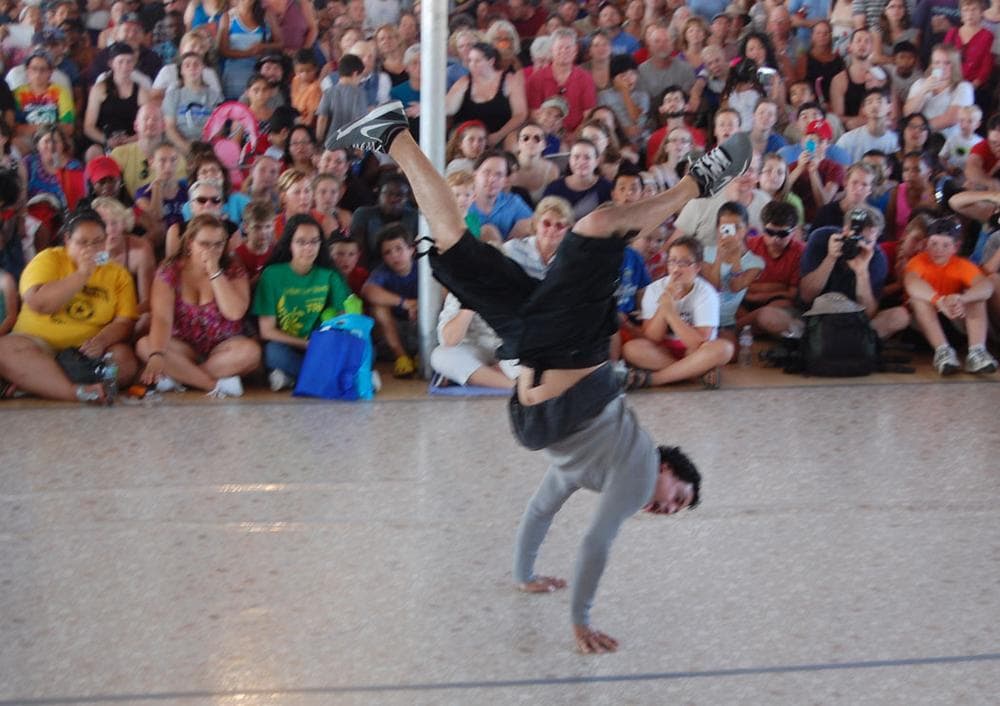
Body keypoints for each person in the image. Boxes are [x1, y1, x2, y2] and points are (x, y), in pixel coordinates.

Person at [326, 100, 753, 652]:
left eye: (671, 510)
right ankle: (701, 180)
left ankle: (394, 137)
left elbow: (566, 523)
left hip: (545, 357)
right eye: (677, 496)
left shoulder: (596, 471)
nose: (665, 506)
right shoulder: (636, 466)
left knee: (520, 235)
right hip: (556, 354)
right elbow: (577, 532)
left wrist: (549, 593)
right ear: (666, 466)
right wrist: (558, 601)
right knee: (532, 235)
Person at [0, 211, 138, 402]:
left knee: (125, 360)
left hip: (85, 353)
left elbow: (126, 321)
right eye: (82, 242)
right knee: (4, 350)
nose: (90, 249)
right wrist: (82, 275)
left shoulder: (118, 274)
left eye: (98, 242)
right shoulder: (48, 259)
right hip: (36, 345)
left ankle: (37, 383)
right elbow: (39, 304)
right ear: (67, 240)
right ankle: (74, 392)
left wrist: (102, 340)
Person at [137, 214, 260, 397]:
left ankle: (181, 377)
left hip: (223, 347)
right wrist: (156, 355)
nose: (212, 250)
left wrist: (214, 272)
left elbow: (235, 312)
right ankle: (212, 384)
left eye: (218, 244)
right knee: (145, 346)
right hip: (183, 347)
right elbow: (162, 318)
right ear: (189, 244)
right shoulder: (169, 270)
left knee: (251, 352)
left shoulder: (233, 268)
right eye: (204, 244)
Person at [253, 213, 352, 391]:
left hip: (322, 345)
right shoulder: (271, 275)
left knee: (361, 347)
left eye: (314, 241)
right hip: (288, 345)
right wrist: (305, 344)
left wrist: (327, 343)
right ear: (289, 244)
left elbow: (343, 319)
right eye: (301, 242)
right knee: (272, 353)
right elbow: (267, 331)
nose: (309, 248)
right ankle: (332, 377)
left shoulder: (330, 274)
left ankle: (294, 378)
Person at [799, 204, 911, 338]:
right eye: (857, 238)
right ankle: (843, 343)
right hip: (816, 315)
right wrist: (830, 258)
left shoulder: (877, 257)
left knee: (900, 316)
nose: (860, 244)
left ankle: (843, 342)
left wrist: (861, 271)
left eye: (868, 241)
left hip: (852, 320)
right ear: (845, 230)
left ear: (877, 237)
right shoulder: (822, 238)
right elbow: (806, 295)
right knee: (771, 317)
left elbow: (868, 313)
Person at [904, 215, 998, 374]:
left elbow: (986, 286)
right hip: (922, 325)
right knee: (918, 300)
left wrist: (963, 298)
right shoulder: (919, 261)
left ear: (956, 247)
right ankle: (942, 351)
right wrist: (939, 300)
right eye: (933, 244)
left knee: (977, 298)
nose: (938, 250)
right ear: (926, 244)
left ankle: (977, 351)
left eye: (945, 245)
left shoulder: (961, 265)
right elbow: (911, 283)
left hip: (953, 318)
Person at [360, 223, 419, 377]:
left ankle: (423, 353)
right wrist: (405, 303)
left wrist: (420, 306)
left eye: (399, 249)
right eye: (387, 252)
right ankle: (402, 358)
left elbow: (443, 290)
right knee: (377, 307)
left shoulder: (423, 267)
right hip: (393, 333)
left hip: (421, 326)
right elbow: (368, 291)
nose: (394, 256)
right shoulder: (382, 272)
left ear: (411, 249)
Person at [446, 41, 527, 148]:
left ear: (491, 61)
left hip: (499, 135)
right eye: (470, 61)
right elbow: (448, 107)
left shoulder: (510, 80)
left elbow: (520, 114)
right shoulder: (464, 82)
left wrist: (499, 135)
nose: (472, 65)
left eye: (477, 61)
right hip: (469, 138)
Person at [741, 200, 805, 336]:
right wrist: (778, 288)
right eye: (770, 232)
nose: (775, 239)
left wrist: (756, 294)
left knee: (770, 314)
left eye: (782, 234)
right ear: (762, 228)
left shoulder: (800, 252)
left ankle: (739, 328)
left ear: (794, 232)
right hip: (745, 302)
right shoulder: (749, 246)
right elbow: (737, 286)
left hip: (775, 305)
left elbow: (792, 294)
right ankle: (750, 328)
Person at [82, 42, 149, 155]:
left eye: (129, 62)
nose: (125, 66)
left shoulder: (141, 92)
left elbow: (147, 127)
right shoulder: (99, 89)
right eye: (120, 62)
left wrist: (130, 140)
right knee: (92, 152)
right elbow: (89, 127)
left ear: (134, 63)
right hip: (104, 141)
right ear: (111, 63)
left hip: (132, 142)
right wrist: (107, 140)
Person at [835, 88, 900, 163]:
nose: (875, 105)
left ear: (889, 107)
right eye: (869, 102)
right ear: (863, 110)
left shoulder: (895, 140)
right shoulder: (847, 139)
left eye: (879, 101)